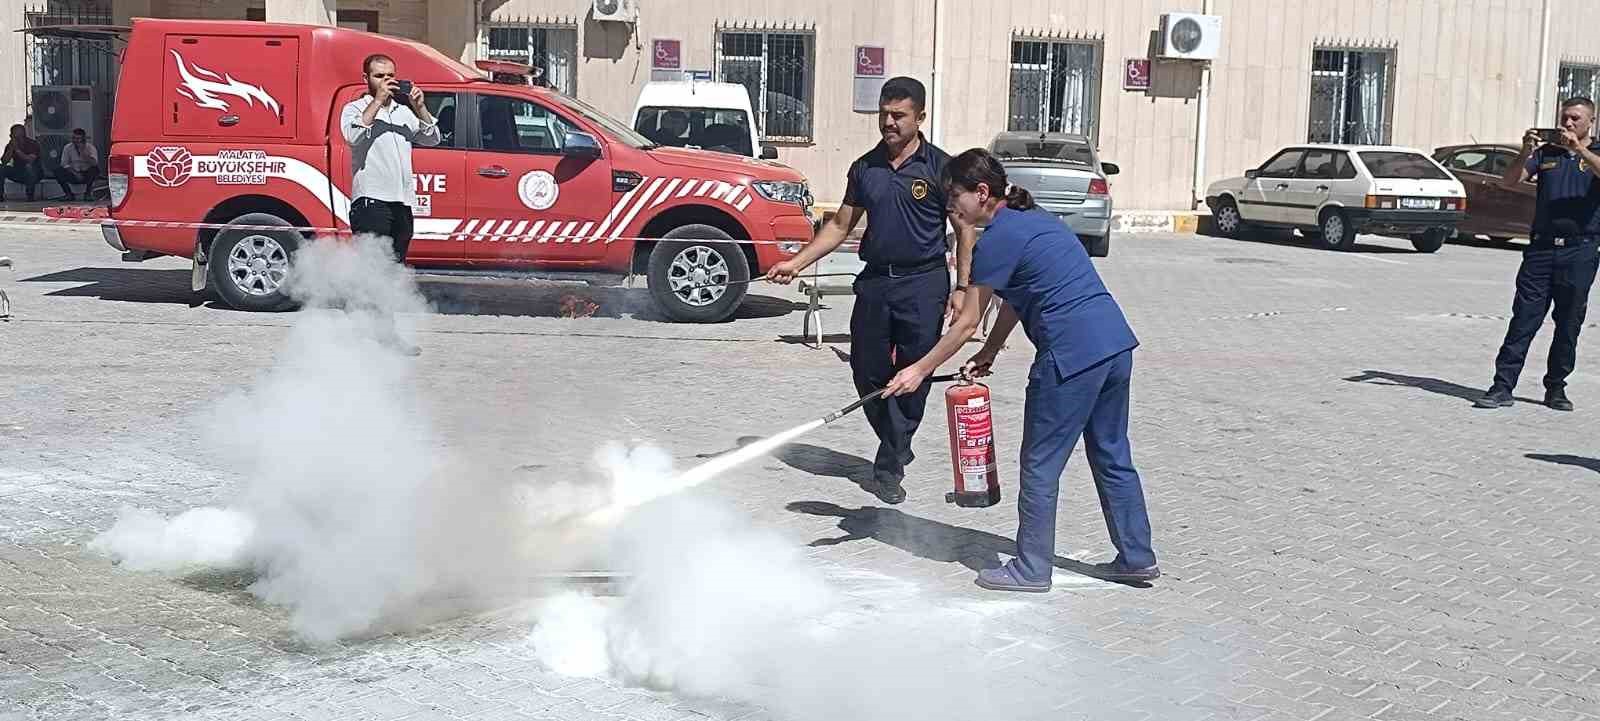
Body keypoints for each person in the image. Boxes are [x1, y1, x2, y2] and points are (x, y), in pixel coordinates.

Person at [882, 148, 1158, 593]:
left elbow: (966, 320)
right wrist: (991, 350)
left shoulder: (997, 239)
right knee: (1111, 454)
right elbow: (1014, 295)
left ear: (982, 192)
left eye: (955, 196)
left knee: (1040, 465)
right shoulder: (1036, 220)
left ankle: (1031, 568)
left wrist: (917, 369)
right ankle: (1136, 557)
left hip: (1070, 357)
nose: (950, 206)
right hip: (1114, 345)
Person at [767, 76, 971, 504]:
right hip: (877, 281)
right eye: (883, 115)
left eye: (898, 115)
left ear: (921, 117)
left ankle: (888, 463)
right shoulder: (865, 167)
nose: (889, 123)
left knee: (916, 373)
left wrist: (963, 287)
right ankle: (897, 441)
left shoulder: (942, 168)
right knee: (866, 370)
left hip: (924, 282)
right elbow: (841, 225)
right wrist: (795, 263)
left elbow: (964, 230)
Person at [1476, 96, 1600, 411]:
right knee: (1524, 319)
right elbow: (1509, 181)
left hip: (1580, 250)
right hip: (1541, 249)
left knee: (1569, 322)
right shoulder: (1546, 152)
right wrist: (1523, 152)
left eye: (1575, 118)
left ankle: (1556, 387)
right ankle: (1502, 386)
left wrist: (1579, 150)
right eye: (1565, 118)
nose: (1568, 124)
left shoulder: (1594, 153)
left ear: (1591, 122)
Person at [339, 53, 440, 356]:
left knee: (391, 274)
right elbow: (352, 136)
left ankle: (384, 335)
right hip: (371, 200)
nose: (386, 82)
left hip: (401, 202)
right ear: (365, 79)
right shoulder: (355, 108)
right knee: (371, 270)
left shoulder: (405, 112)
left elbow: (433, 139)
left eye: (390, 76)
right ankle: (358, 335)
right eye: (379, 76)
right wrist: (376, 103)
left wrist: (420, 107)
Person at [54, 128, 100, 201]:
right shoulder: (67, 148)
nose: (76, 141)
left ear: (83, 139)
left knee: (95, 170)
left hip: (86, 173)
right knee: (58, 171)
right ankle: (68, 194)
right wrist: (75, 173)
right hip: (73, 172)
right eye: (74, 138)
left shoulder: (90, 148)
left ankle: (88, 194)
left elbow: (94, 163)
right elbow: (64, 164)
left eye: (78, 138)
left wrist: (83, 153)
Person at [1, 124, 42, 201]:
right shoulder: (10, 145)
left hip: (34, 173)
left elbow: (30, 160)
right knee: (1, 168)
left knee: (29, 167)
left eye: (17, 135)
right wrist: (11, 149)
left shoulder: (32, 144)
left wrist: (17, 150)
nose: (13, 137)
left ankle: (30, 196)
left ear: (23, 134)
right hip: (18, 172)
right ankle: (0, 195)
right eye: (13, 135)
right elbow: (4, 161)